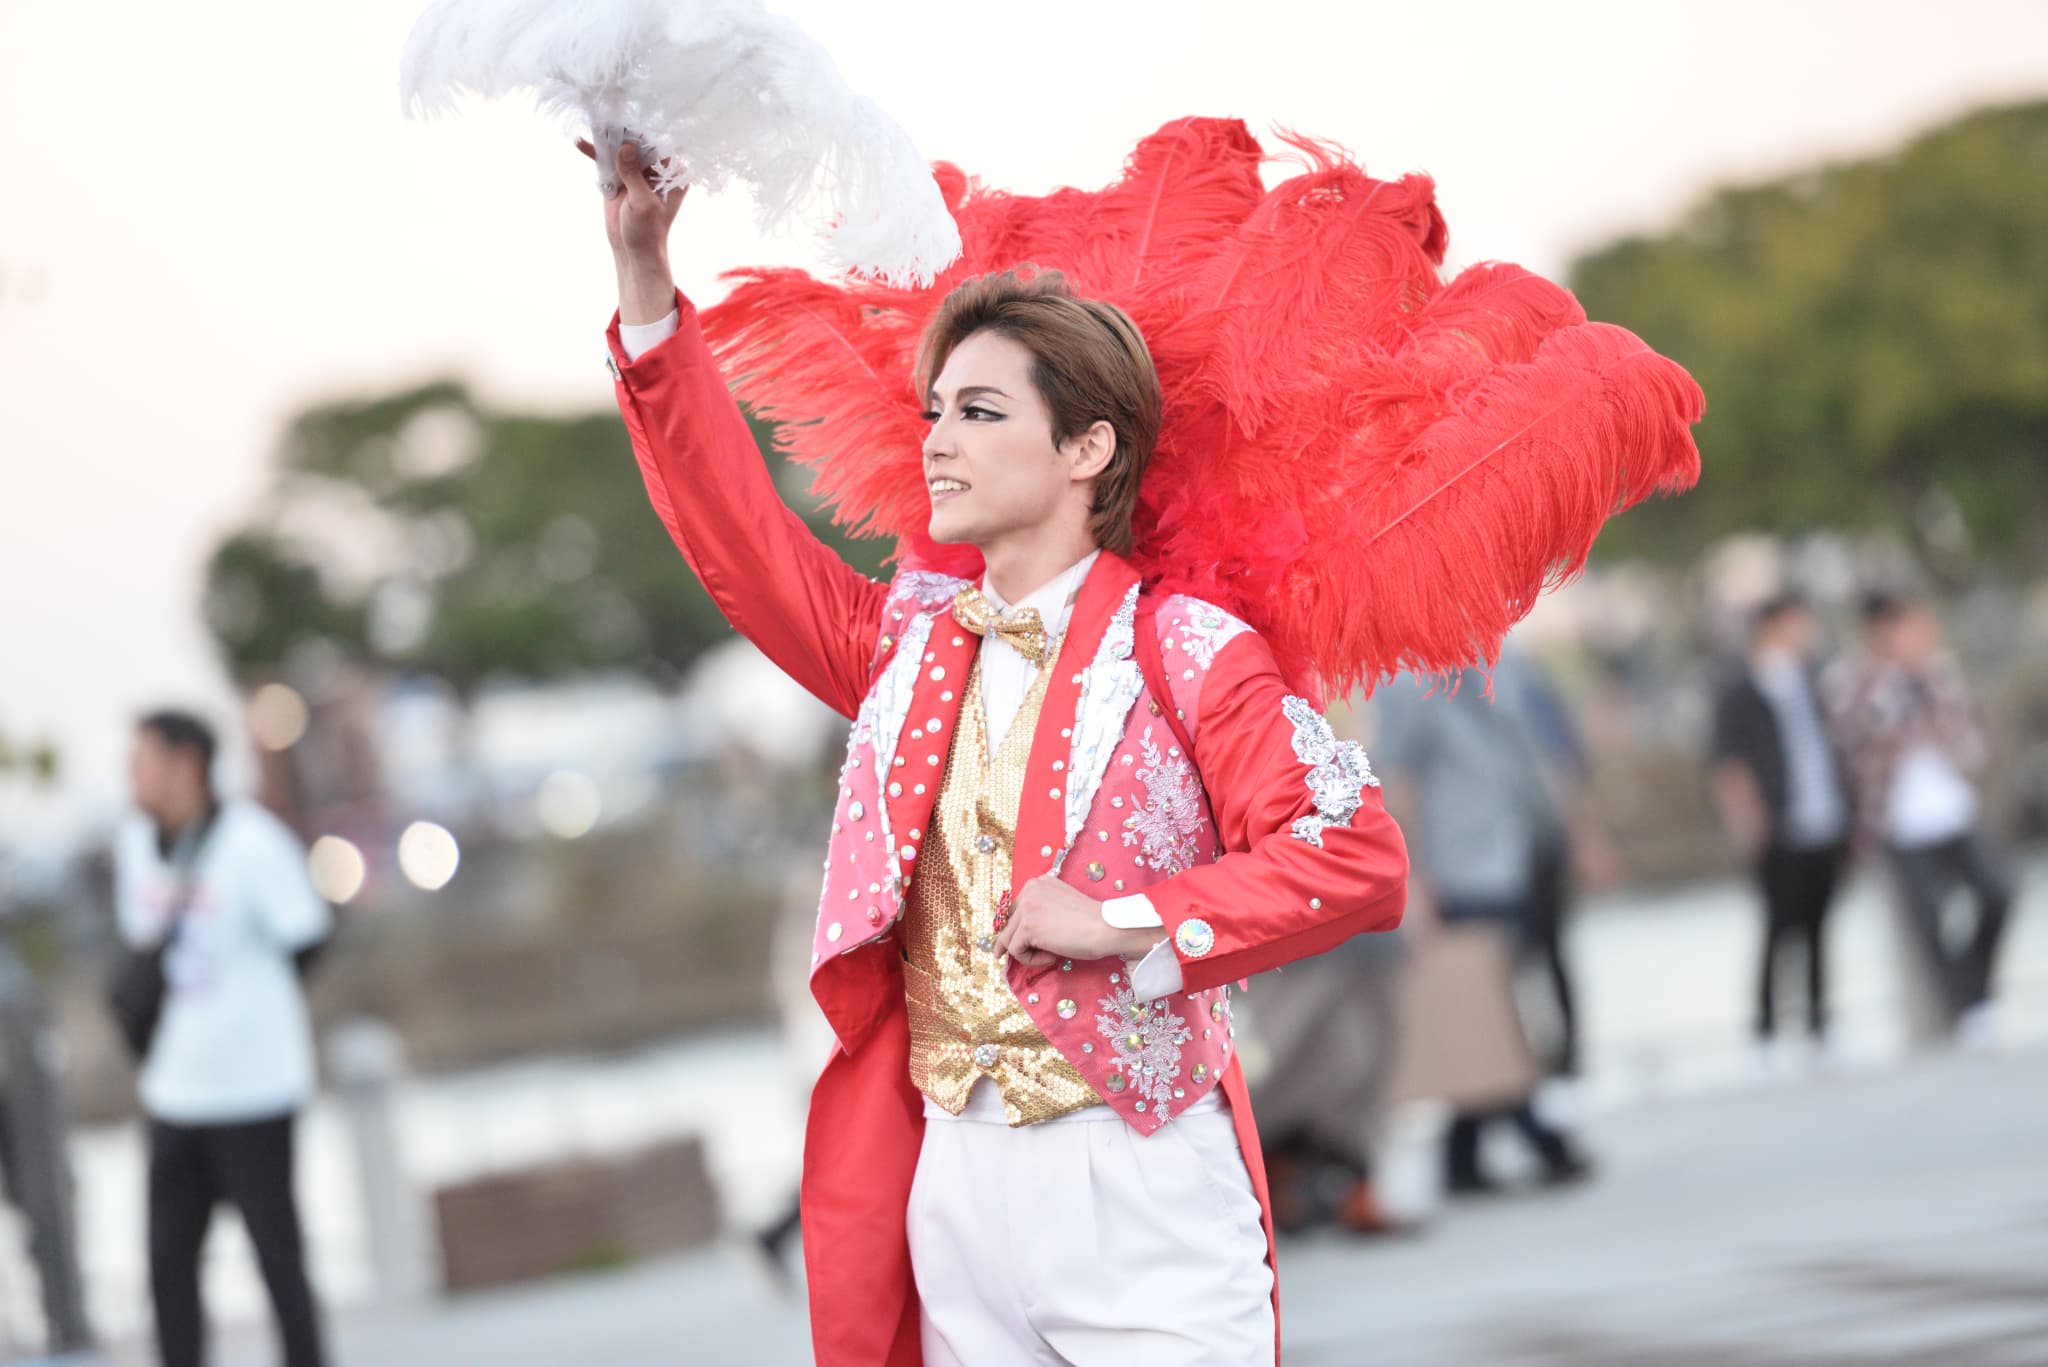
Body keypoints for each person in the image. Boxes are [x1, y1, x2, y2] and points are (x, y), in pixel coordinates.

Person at [591, 140, 1412, 1366]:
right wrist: (645, 279)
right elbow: (737, 534)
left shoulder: (1187, 650)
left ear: (1087, 449)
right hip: (951, 1193)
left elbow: (1354, 857)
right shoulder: (901, 648)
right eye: (934, 410)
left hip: (1136, 1189)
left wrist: (1124, 919)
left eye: (978, 413)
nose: (936, 439)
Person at [116, 711, 331, 1367]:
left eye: (143, 759)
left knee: (277, 1255)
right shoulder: (136, 844)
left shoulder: (252, 843)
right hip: (174, 1087)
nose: (132, 774)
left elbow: (307, 938)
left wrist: (249, 1013)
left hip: (255, 1088)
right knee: (169, 1264)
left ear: (187, 763)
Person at [1373, 660, 1596, 1195]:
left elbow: (1529, 761)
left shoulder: (1499, 668)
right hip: (1457, 872)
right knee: (1489, 1009)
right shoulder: (1407, 683)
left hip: (1508, 859)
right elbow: (1398, 783)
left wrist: (1568, 839)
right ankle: (1535, 1135)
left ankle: (1463, 1154)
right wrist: (1414, 881)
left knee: (1486, 1009)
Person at [1830, 594, 2011, 1045]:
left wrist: (1931, 697)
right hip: (1898, 821)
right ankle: (1966, 1009)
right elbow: (1854, 746)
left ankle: (1976, 994)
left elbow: (1972, 742)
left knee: (1997, 892)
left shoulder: (1937, 673)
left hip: (1953, 809)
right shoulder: (1854, 681)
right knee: (1929, 920)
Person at [1709, 592, 1853, 1051]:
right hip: (1778, 825)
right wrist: (1747, 822)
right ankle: (1766, 1031)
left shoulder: (1814, 682)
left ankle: (1820, 1026)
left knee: (1820, 926)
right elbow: (1728, 762)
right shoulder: (1741, 690)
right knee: (1778, 928)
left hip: (1824, 818)